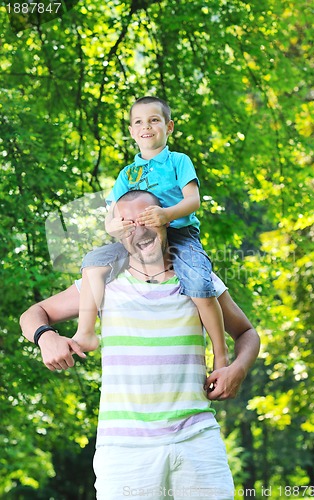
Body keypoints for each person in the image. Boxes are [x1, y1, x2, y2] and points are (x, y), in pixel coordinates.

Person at [20, 190, 260, 500]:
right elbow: (32, 314)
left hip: (197, 440)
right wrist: (46, 337)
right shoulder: (100, 282)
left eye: (147, 218)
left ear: (166, 220)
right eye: (128, 222)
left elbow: (247, 333)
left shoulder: (198, 280)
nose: (139, 229)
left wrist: (236, 369)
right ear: (117, 230)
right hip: (124, 450)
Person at [74, 96, 228, 370]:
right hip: (135, 238)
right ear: (132, 132)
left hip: (179, 234)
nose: (147, 126)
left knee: (200, 285)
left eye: (154, 120)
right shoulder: (128, 173)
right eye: (139, 122)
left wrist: (167, 214)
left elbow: (193, 201)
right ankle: (86, 333)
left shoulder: (178, 161)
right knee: (92, 264)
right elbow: (110, 214)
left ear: (168, 127)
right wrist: (114, 227)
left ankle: (221, 353)